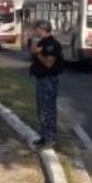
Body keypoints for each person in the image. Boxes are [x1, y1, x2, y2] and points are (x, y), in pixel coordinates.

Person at [29, 20, 64, 148]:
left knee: (48, 110)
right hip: (41, 79)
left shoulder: (52, 45)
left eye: (37, 28)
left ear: (43, 29)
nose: (36, 31)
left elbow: (49, 63)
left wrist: (38, 53)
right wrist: (34, 50)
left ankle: (51, 139)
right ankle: (44, 136)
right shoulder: (42, 42)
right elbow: (33, 51)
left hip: (48, 80)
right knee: (41, 110)